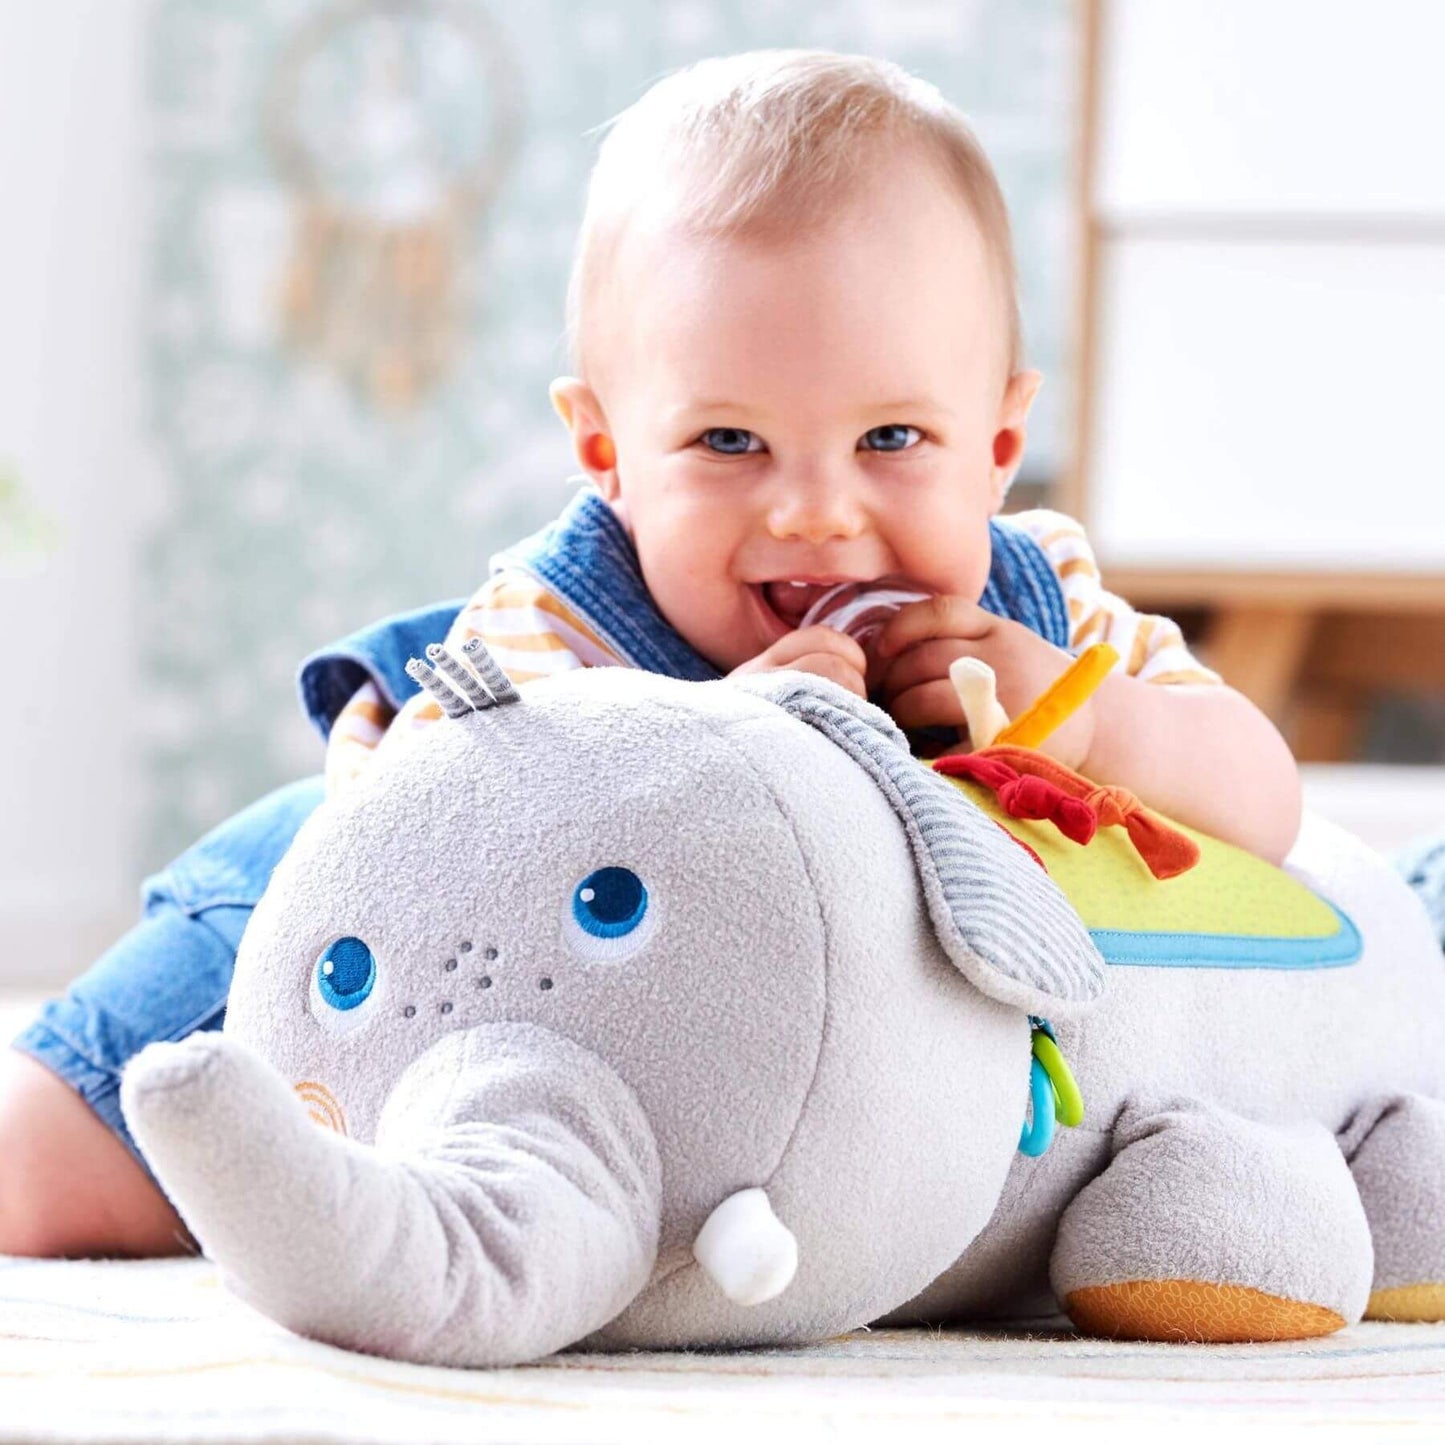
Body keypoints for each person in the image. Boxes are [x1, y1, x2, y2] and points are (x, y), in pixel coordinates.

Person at [0, 49, 1300, 1260]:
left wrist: (1095, 728)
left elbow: (1266, 802)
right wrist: (710, 744)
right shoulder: (554, 622)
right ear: (606, 454)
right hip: (346, 939)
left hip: (711, 1088)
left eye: (892, 438)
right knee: (45, 1184)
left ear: (1000, 442)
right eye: (729, 443)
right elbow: (446, 848)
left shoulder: (1040, 603)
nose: (816, 511)